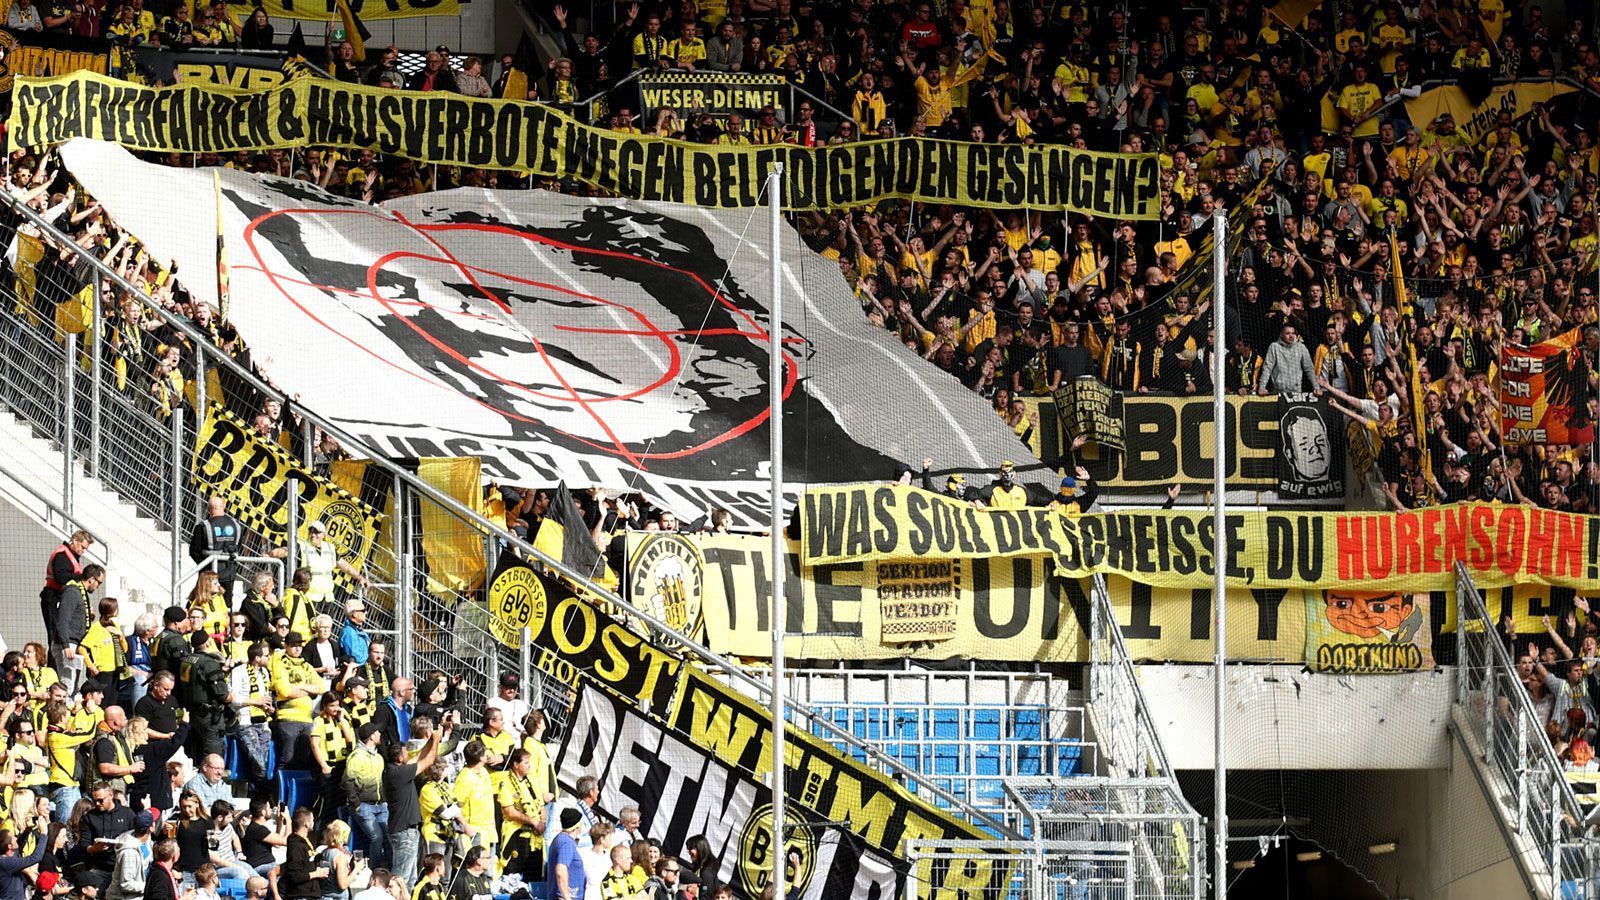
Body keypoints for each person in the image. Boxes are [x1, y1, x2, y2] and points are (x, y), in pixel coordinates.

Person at [41, 531, 93, 669]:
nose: (83, 551)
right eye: (82, 547)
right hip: (53, 597)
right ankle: (54, 670)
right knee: (55, 636)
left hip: (60, 596)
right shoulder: (62, 555)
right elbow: (61, 577)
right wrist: (79, 578)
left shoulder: (71, 556)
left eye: (85, 548)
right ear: (74, 540)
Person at [54, 564, 106, 696]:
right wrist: (65, 645)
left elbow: (73, 618)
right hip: (67, 644)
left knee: (73, 687)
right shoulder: (73, 592)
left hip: (73, 644)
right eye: (99, 582)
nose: (98, 586)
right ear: (91, 579)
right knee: (67, 686)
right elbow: (63, 620)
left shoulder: (79, 593)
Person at [188, 497, 244, 601]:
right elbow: (238, 546)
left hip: (208, 573)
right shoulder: (237, 526)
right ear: (224, 507)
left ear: (209, 510)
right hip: (229, 571)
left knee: (205, 601)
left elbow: (194, 551)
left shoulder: (203, 526)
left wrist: (204, 564)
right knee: (226, 604)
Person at [106, 809, 154, 900]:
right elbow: (126, 884)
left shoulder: (145, 840)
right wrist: (150, 887)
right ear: (151, 828)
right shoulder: (129, 852)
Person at [545, 809, 585, 900]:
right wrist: (566, 897)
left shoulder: (561, 839)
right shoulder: (566, 842)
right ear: (578, 825)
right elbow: (560, 870)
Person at [338, 600, 371, 666]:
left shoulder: (357, 630)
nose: (366, 612)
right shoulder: (349, 632)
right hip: (358, 670)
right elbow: (355, 657)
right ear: (355, 614)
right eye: (363, 611)